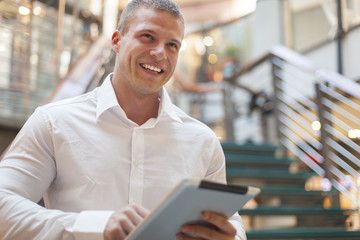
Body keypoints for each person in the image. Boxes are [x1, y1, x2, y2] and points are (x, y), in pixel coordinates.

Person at [0, 0, 246, 239]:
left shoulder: (203, 141)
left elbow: (231, 224)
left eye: (172, 44)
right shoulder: (53, 122)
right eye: (148, 36)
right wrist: (97, 226)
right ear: (117, 41)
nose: (160, 53)